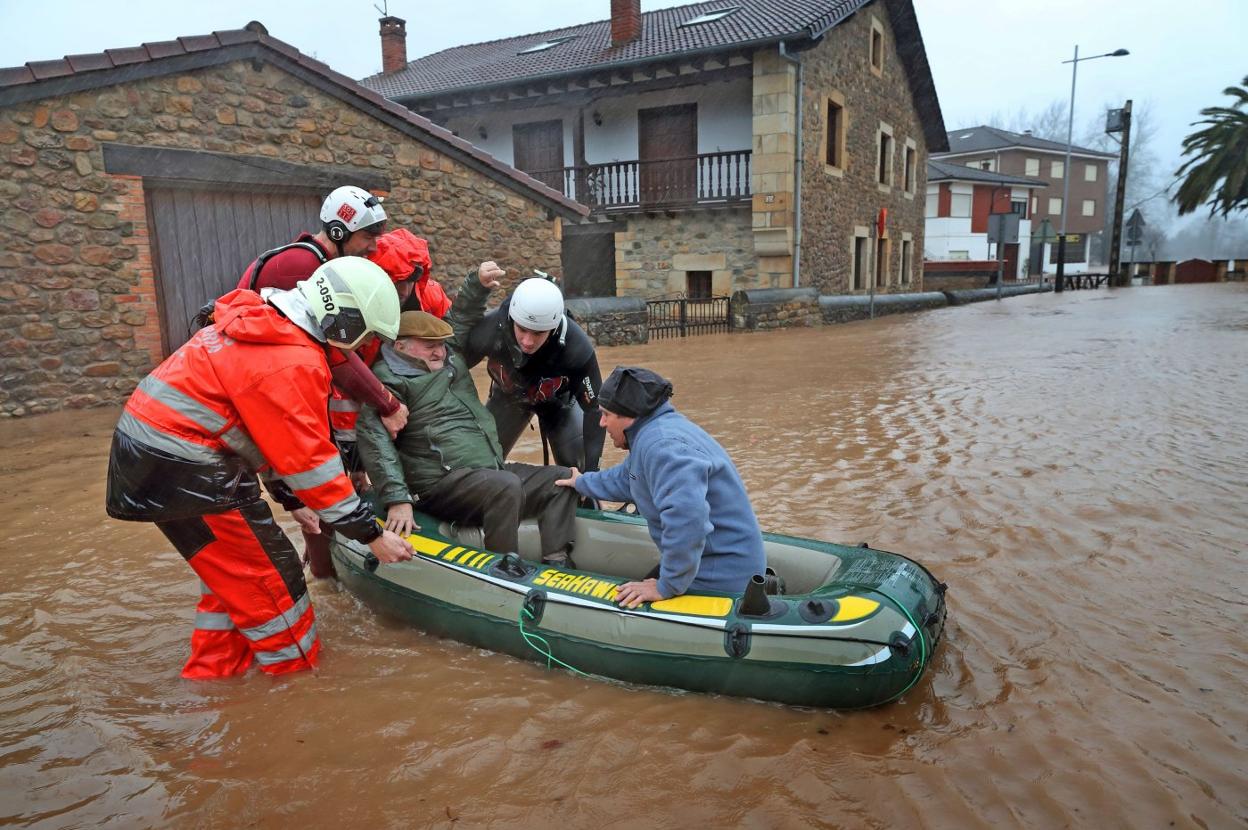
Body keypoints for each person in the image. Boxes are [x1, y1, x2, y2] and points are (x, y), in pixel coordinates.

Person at [105, 258, 415, 679]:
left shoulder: (265, 323)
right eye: (362, 336)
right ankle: (296, 680)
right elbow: (312, 463)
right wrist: (370, 534)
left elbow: (262, 432)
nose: (359, 348)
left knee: (234, 580)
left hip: (158, 458)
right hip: (188, 466)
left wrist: (289, 497)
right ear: (343, 321)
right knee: (272, 579)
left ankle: (215, 681)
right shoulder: (292, 360)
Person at [233, 185, 409, 577]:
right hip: (262, 405)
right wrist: (388, 403)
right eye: (367, 237)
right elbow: (337, 356)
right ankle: (325, 577)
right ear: (338, 233)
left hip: (278, 399)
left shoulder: (308, 261)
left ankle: (323, 568)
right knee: (313, 496)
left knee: (323, 489)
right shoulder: (299, 266)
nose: (373, 248)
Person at [356, 263, 578, 568]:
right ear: (400, 345)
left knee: (563, 479)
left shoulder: (449, 358)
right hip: (439, 485)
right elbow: (374, 440)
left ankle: (558, 563)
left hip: (486, 471)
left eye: (441, 345)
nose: (439, 352)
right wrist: (397, 499)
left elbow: (458, 320)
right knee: (505, 486)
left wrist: (478, 284)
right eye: (429, 346)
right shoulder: (385, 385)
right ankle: (504, 567)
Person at [556, 366, 766, 608]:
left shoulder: (663, 446)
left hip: (719, 576)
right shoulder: (652, 433)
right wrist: (580, 482)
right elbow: (626, 479)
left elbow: (688, 519)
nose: (601, 423)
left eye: (606, 414)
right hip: (703, 563)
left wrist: (667, 585)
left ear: (629, 414)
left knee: (625, 606)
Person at [461, 276, 604, 474]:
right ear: (512, 319)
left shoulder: (576, 347)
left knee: (578, 472)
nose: (528, 342)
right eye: (522, 329)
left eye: (538, 333)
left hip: (560, 405)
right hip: (508, 399)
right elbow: (452, 368)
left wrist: (591, 474)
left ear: (553, 329)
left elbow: (595, 410)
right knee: (479, 466)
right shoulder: (492, 328)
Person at [368, 228, 452, 318]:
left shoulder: (433, 295)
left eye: (411, 279)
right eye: (397, 282)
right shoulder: (359, 297)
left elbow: (455, 327)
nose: (404, 291)